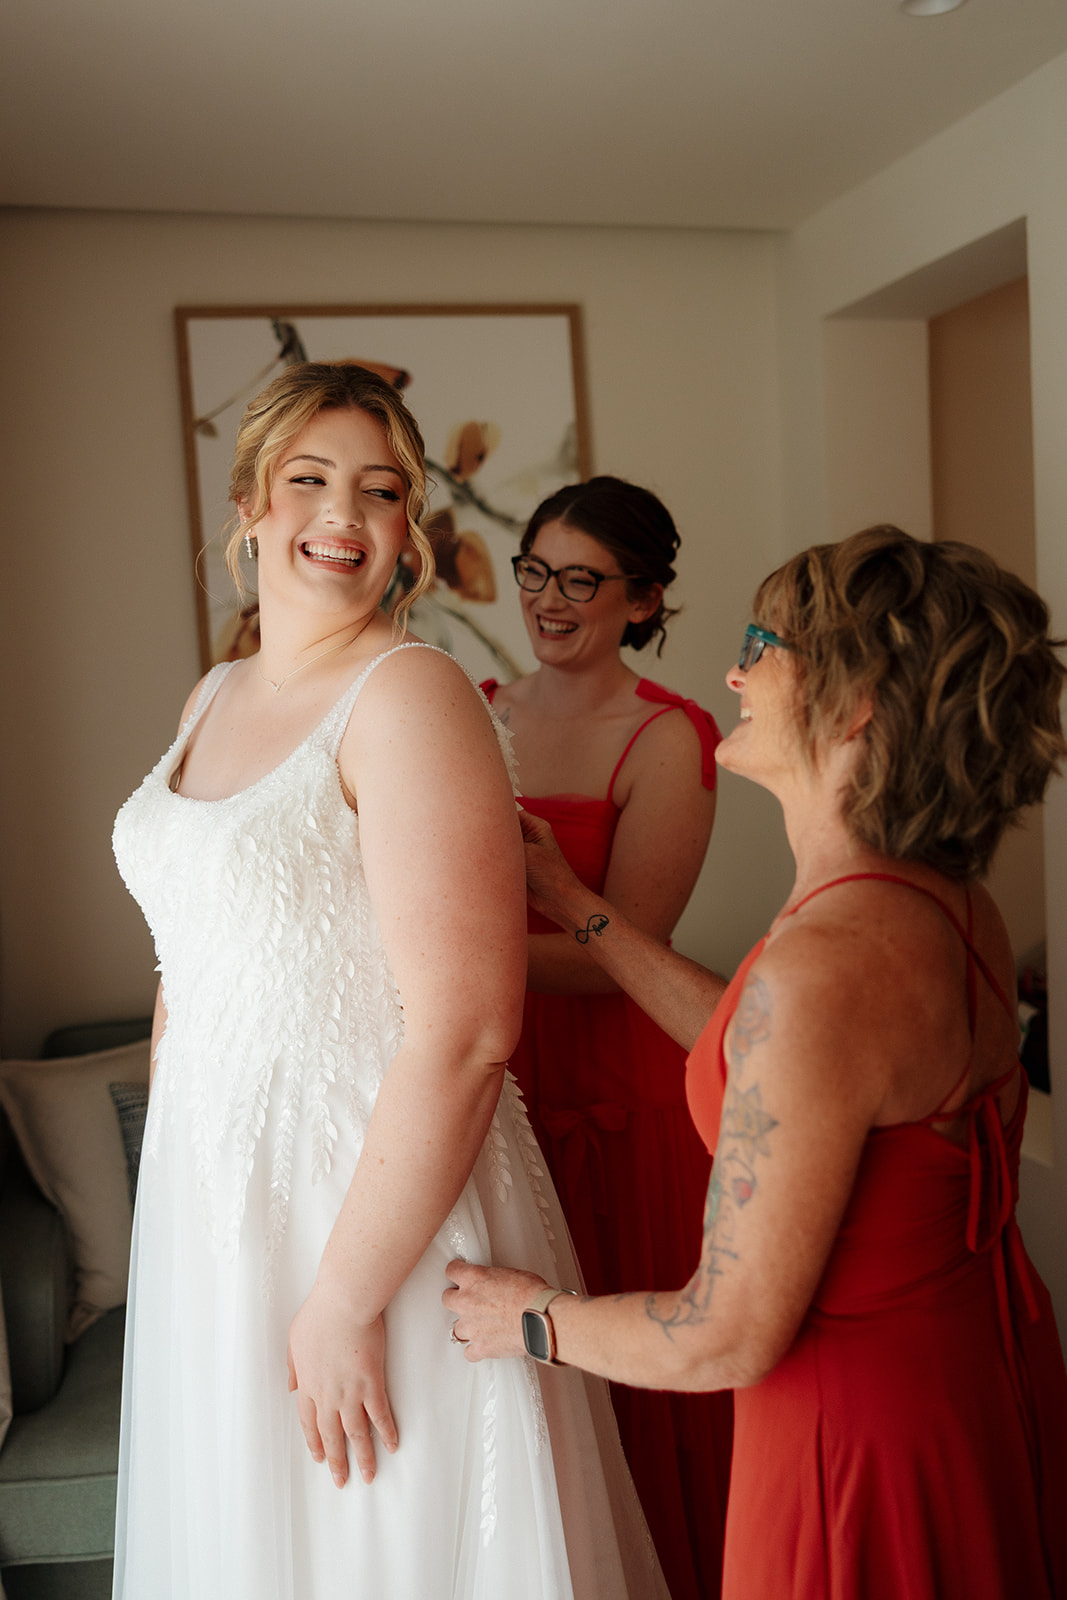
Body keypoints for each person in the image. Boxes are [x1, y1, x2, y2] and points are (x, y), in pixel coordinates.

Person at [111, 363, 669, 1600]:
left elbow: (469, 1031)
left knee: (377, 1544)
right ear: (250, 507)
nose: (343, 516)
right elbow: (187, 967)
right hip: (217, 1195)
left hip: (364, 1203)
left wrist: (345, 1298)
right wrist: (177, 1190)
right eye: (308, 480)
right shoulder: (217, 692)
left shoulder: (408, 697)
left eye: (380, 491)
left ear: (407, 527)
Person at [448, 525, 1067, 1600]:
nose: (731, 672)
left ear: (856, 696)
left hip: (850, 1440)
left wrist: (529, 1317)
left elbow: (721, 1333)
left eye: (760, 643)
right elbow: (767, 1049)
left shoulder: (825, 965)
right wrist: (573, 905)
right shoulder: (939, 901)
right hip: (971, 1388)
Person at [480, 476, 732, 1599]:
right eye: (533, 569)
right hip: (496, 1066)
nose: (545, 597)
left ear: (642, 600)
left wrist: (441, 957)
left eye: (579, 579)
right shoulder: (473, 706)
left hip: (617, 1091)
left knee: (622, 1369)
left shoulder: (669, 737)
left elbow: (613, 951)